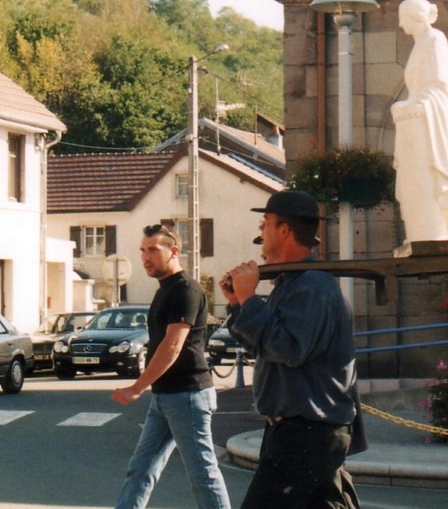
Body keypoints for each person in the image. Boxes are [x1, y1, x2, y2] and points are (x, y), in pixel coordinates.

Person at [221, 190, 361, 508]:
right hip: (298, 432)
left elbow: (288, 349)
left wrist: (250, 301)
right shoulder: (295, 284)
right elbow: (266, 347)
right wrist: (238, 305)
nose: (261, 229)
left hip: (307, 433)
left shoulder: (312, 286)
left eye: (265, 223)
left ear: (284, 230)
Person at [111, 224, 230, 509]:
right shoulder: (165, 289)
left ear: (174, 251)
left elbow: (173, 345)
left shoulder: (185, 290)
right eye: (142, 250)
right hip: (166, 396)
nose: (145, 257)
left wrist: (137, 387)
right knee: (141, 469)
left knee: (202, 474)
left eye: (153, 249)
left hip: (188, 395)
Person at [391, 0, 448, 243]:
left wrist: (415, 104)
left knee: (429, 177)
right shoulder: (420, 44)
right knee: (417, 182)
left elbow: (438, 86)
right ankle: (423, 231)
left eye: (403, 19)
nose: (401, 26)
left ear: (414, 17)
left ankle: (436, 228)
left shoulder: (435, 40)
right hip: (417, 123)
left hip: (430, 121)